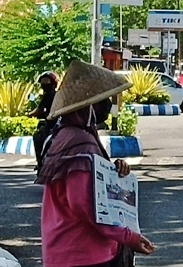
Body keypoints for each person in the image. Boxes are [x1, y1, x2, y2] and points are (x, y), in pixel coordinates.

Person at [35, 60, 155, 266]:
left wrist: (114, 172)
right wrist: (128, 237)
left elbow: (92, 183)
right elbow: (86, 205)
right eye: (102, 100)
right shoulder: (80, 143)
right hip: (84, 255)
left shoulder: (65, 136)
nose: (107, 104)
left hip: (63, 251)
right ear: (88, 106)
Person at [29, 71, 59, 174]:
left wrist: (29, 114)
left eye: (47, 82)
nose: (44, 84)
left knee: (38, 137)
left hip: (52, 124)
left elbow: (39, 110)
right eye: (43, 82)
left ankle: (40, 162)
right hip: (61, 123)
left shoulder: (48, 95)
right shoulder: (59, 95)